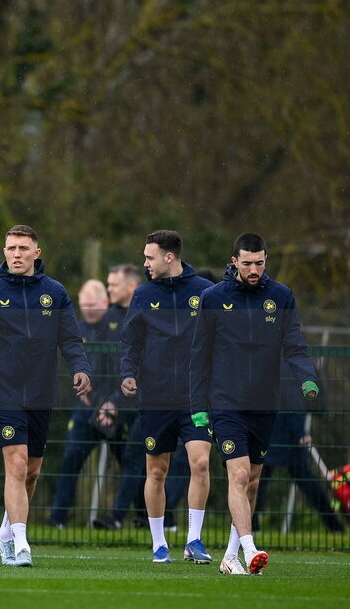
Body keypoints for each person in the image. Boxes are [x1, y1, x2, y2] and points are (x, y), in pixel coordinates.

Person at [0, 225, 92, 567]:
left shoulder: (56, 293)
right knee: (16, 465)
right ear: (4, 252)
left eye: (22, 248)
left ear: (37, 252)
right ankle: (20, 544)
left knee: (31, 472)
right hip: (2, 392)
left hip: (41, 392)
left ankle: (5, 531)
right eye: (10, 248)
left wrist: (80, 368)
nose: (16, 254)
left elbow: (71, 340)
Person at [190, 233, 320, 576]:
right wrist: (198, 405)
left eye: (259, 263)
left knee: (253, 480)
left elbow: (294, 345)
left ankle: (231, 556)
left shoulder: (281, 297)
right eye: (247, 263)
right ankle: (251, 549)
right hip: (225, 402)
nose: (253, 269)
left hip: (264, 402)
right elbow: (199, 355)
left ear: (266, 260)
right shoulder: (213, 297)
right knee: (240, 472)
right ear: (234, 261)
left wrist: (307, 378)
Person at [119, 230, 214, 564]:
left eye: (149, 257)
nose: (145, 263)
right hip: (156, 398)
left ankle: (194, 540)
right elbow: (130, 341)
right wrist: (127, 373)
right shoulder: (143, 294)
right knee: (156, 472)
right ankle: (159, 543)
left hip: (196, 398)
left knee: (200, 463)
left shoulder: (204, 291)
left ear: (169, 257)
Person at [49, 279, 119, 528]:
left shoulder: (117, 326)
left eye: (93, 304)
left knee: (133, 463)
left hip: (116, 408)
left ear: (105, 302)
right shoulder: (76, 327)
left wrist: (111, 402)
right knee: (70, 461)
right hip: (84, 408)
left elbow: (124, 369)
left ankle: (132, 519)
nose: (88, 309)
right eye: (84, 305)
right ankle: (57, 519)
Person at [91, 264, 148, 530]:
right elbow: (101, 364)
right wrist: (105, 400)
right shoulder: (108, 319)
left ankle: (117, 517)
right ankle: (144, 515)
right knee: (130, 459)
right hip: (113, 403)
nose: (109, 289)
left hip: (143, 401)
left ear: (132, 288)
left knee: (139, 458)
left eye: (114, 284)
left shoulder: (147, 315)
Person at [254, 373, 344, 534]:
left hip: (270, 436)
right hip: (289, 440)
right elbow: (296, 404)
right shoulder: (295, 366)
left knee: (257, 484)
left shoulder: (269, 361)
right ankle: (335, 526)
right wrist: (300, 432)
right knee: (308, 484)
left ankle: (251, 526)